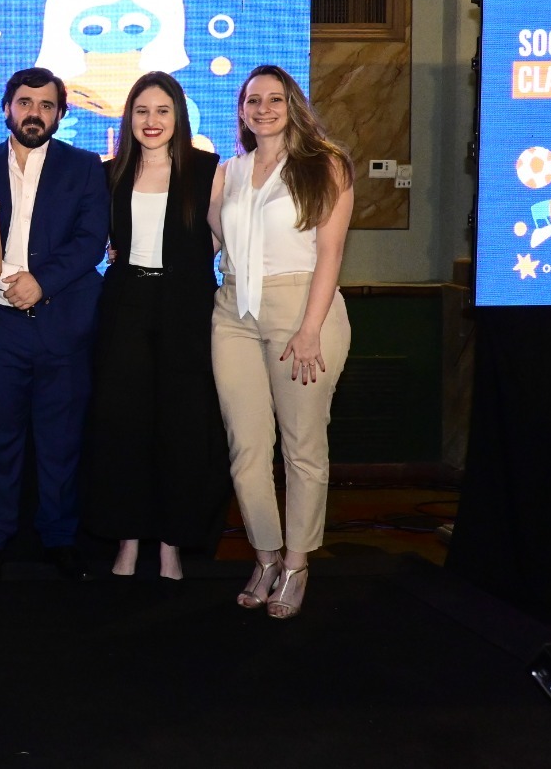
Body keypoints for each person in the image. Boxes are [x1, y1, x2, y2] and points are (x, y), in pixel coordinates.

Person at [210, 64, 353, 620]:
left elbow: (331, 253)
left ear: (293, 104)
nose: (263, 108)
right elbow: (217, 237)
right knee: (246, 450)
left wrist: (311, 327)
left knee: (302, 447)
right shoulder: (231, 171)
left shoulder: (326, 165)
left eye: (274, 98)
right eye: (253, 101)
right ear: (242, 111)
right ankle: (265, 556)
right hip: (233, 310)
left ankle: (296, 563)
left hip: (303, 310)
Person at [81, 72, 231, 581]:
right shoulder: (109, 173)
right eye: (142, 111)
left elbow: (225, 238)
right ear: (129, 118)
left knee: (181, 427)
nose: (152, 121)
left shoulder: (209, 170)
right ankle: (127, 541)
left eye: (162, 110)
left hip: (185, 307)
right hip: (125, 304)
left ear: (179, 117)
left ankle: (170, 544)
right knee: (123, 426)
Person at [0, 67, 109, 583]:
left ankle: (60, 536)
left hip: (63, 321)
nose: (35, 113)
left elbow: (91, 240)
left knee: (61, 437)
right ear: (7, 108)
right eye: (25, 103)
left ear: (60, 114)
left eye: (46, 105)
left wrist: (41, 282)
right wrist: (6, 280)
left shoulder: (85, 167)